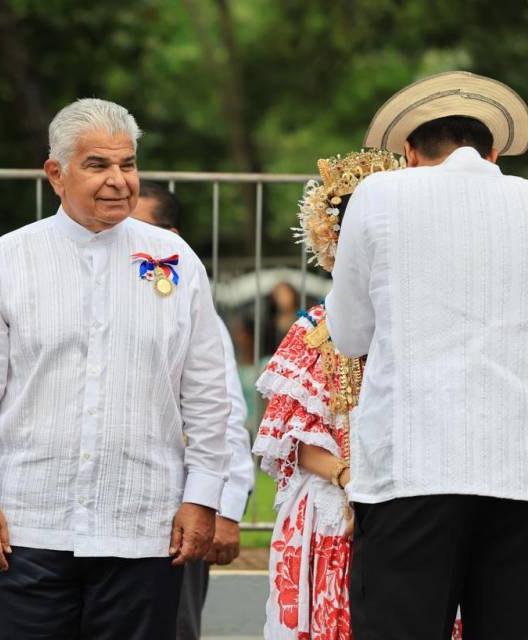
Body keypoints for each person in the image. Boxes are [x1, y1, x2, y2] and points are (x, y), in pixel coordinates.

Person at [0, 98, 232, 639]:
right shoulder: (5, 264)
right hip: (25, 527)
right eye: (98, 165)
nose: (118, 181)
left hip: (145, 527)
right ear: (56, 174)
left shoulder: (177, 262)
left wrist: (203, 496)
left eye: (127, 165)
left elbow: (208, 396)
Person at [326, 71, 528, 639]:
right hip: (518, 464)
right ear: (491, 152)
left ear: (410, 152)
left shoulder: (382, 193)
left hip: (414, 464)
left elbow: (348, 332)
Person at [254, 150, 411, 639]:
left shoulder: (424, 322)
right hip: (333, 509)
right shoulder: (313, 331)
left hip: (416, 501)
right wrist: (348, 478)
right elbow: (292, 437)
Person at [132, 182, 255, 640]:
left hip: (175, 514)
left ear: (173, 238)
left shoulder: (187, 305)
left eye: (138, 228)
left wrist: (224, 507)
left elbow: (220, 410)